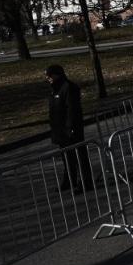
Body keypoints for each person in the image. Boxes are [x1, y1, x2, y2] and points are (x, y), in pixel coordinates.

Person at [46, 64, 93, 192]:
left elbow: (72, 110)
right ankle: (69, 180)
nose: (48, 78)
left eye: (50, 75)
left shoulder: (68, 88)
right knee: (67, 157)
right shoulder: (55, 89)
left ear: (57, 74)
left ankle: (85, 181)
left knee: (79, 156)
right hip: (60, 129)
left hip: (70, 129)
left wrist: (70, 127)